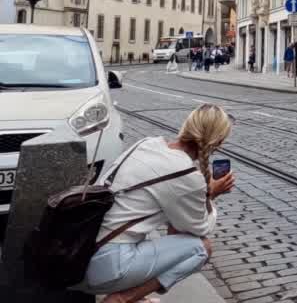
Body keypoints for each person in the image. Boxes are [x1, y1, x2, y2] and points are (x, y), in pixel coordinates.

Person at [75, 104, 235, 303]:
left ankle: (133, 295)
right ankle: (123, 298)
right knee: (201, 248)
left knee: (166, 227)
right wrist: (211, 193)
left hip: (77, 256)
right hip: (102, 268)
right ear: (217, 142)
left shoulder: (147, 143)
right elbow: (200, 228)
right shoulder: (185, 174)